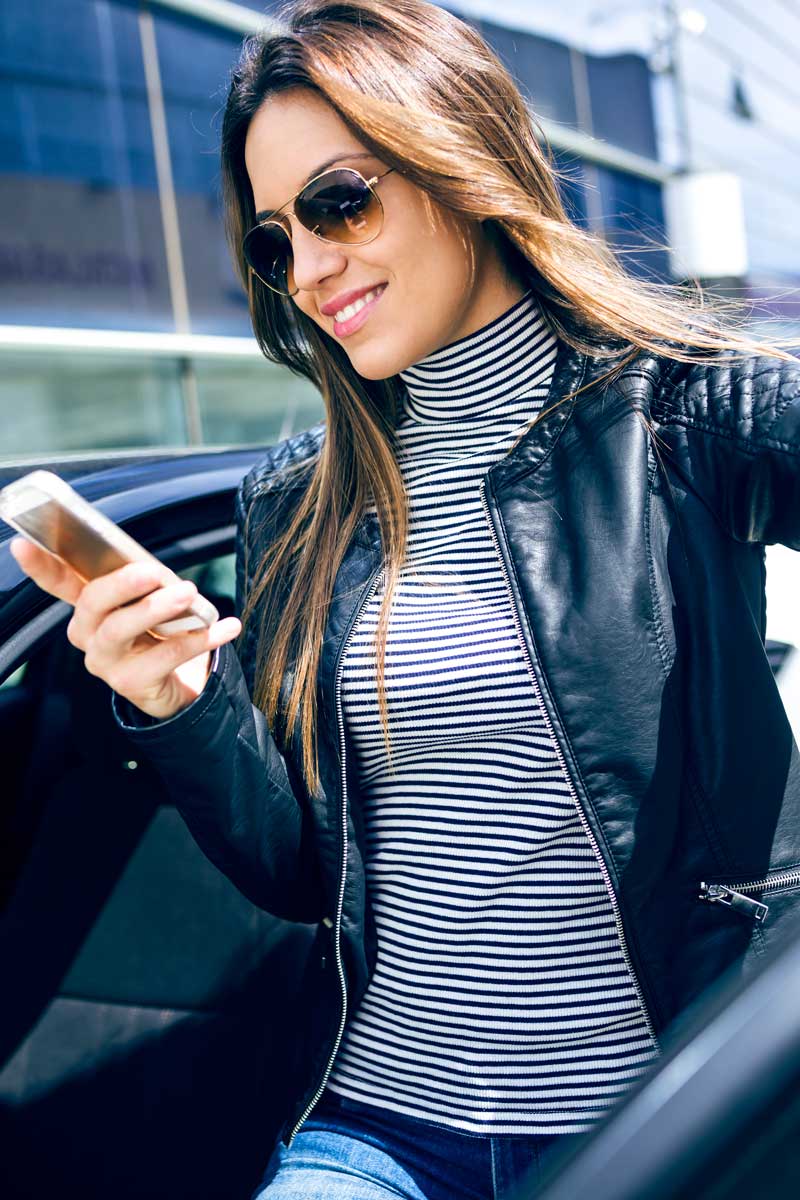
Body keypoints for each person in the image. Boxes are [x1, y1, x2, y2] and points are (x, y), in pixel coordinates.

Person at [10, 0, 800, 1196]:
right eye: (274, 240)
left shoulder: (684, 420)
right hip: (377, 1131)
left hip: (657, 1136)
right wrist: (180, 701)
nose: (310, 267)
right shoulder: (296, 504)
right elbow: (297, 873)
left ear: (460, 165)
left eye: (339, 202)